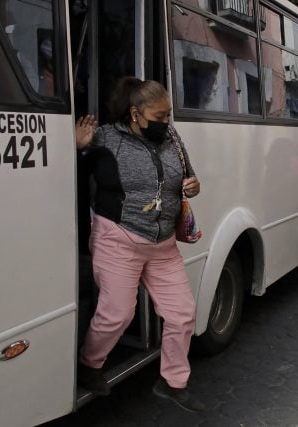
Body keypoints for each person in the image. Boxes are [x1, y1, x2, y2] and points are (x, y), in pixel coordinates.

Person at [75, 76, 205, 412]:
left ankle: (173, 382)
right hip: (118, 239)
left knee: (182, 314)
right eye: (159, 116)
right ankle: (89, 364)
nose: (167, 123)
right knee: (117, 313)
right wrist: (76, 148)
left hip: (163, 246)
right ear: (135, 114)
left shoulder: (172, 138)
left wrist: (193, 185)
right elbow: (66, 178)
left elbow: (189, 175)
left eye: (169, 115)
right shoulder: (105, 138)